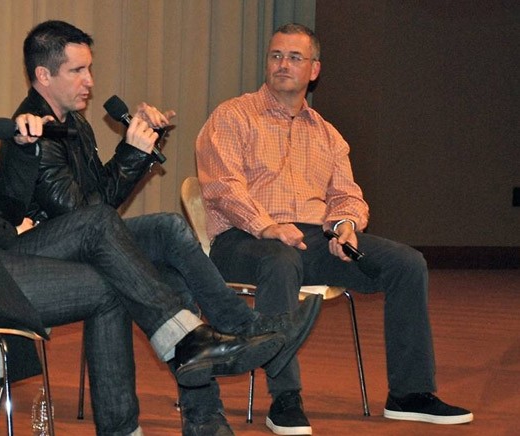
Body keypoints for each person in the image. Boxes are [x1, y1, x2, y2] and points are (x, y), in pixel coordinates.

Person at [0, 19, 316, 436]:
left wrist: (23, 148)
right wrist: (10, 233)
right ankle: (193, 346)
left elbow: (3, 201)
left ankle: (145, 407)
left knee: (119, 275)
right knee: (104, 234)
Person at [0, 20, 322, 436]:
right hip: (45, 256)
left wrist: (142, 147)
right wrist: (132, 152)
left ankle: (217, 379)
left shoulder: (75, 125)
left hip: (87, 239)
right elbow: (81, 216)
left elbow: (101, 204)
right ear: (44, 75)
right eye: (78, 71)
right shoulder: (32, 133)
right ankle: (223, 352)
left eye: (90, 69)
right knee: (161, 239)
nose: (90, 81)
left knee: (169, 253)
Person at [195, 22, 474, 435]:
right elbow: (222, 187)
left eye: (294, 57)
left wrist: (345, 226)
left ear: (314, 70)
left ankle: (410, 394)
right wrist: (268, 226)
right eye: (276, 56)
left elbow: (347, 195)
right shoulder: (233, 116)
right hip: (244, 240)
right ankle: (285, 398)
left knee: (406, 263)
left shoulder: (326, 134)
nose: (282, 64)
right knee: (281, 258)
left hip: (313, 240)